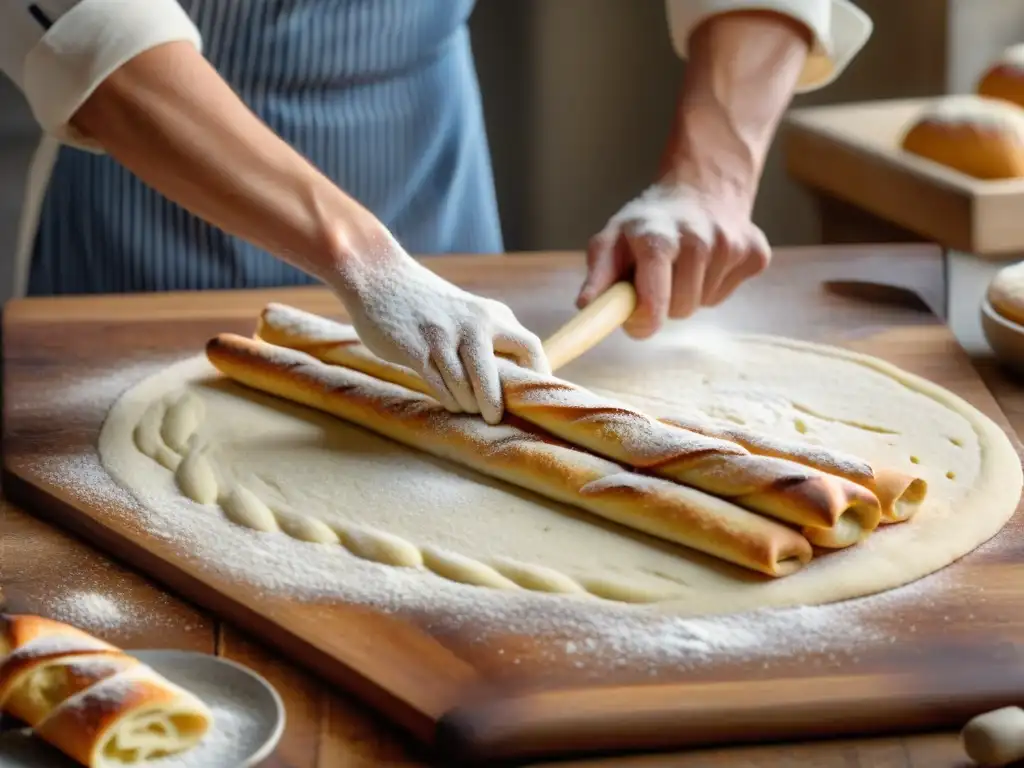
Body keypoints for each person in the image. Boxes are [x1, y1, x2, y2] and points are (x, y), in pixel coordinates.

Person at [0, 0, 870, 424]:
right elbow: (88, 21)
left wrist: (710, 179)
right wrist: (368, 262)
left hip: (424, 160)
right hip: (143, 176)